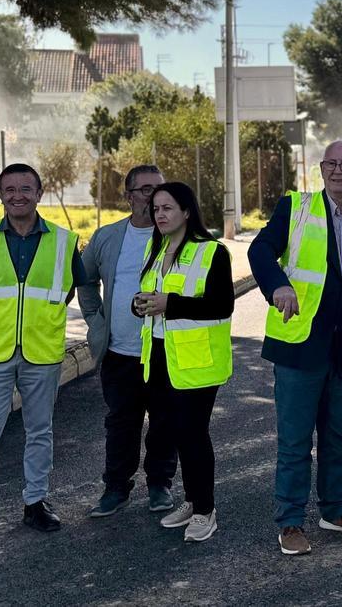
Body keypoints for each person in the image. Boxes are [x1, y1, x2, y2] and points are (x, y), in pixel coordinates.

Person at [248, 140, 342, 556]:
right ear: (321, 168)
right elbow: (260, 250)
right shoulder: (295, 208)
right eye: (330, 162)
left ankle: (335, 509)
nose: (337, 170)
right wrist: (277, 285)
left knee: (337, 438)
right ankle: (290, 521)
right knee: (295, 442)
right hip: (300, 348)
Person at [0, 163, 84, 551]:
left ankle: (35, 502)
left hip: (42, 352)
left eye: (26, 188)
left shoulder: (63, 241)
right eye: (10, 189)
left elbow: (68, 291)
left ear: (39, 194)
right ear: (0, 195)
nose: (18, 195)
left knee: (40, 431)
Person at [132, 182, 234, 543]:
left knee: (193, 435)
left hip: (198, 361)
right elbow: (149, 295)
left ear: (187, 212)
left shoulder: (212, 252)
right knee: (175, 433)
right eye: (156, 209)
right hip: (160, 356)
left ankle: (206, 510)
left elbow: (222, 306)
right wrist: (140, 303)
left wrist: (169, 304)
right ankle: (192, 501)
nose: (159, 215)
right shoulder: (155, 248)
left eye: (167, 208)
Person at [79, 165, 180, 518]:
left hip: (165, 349)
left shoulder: (176, 236)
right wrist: (95, 320)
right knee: (121, 421)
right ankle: (116, 488)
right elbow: (85, 278)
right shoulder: (108, 237)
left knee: (165, 420)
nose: (153, 197)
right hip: (120, 352)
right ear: (129, 195)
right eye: (144, 190)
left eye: (159, 190)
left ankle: (159, 485)